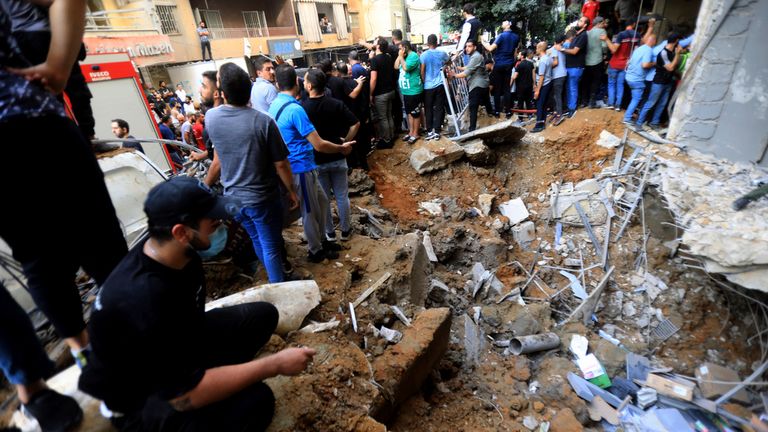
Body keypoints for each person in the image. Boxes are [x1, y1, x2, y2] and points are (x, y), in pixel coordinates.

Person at [78, 176, 316, 431]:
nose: (222, 227)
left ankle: (209, 377)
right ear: (181, 232)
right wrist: (274, 365)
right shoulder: (143, 297)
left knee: (262, 315)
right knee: (257, 401)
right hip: (142, 397)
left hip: (176, 345)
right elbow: (181, 398)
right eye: (213, 224)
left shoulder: (182, 255)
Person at [0, 2, 128, 429]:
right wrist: (57, 65)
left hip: (37, 124)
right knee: (94, 247)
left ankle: (92, 352)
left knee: (51, 259)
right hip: (36, 125)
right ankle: (106, 350)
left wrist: (57, 66)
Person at [203, 63, 298, 282]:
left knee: (257, 239)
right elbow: (281, 164)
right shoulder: (263, 122)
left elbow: (217, 161)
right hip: (262, 199)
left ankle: (276, 279)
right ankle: (280, 289)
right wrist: (291, 191)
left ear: (223, 93)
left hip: (233, 200)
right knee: (272, 246)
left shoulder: (212, 118)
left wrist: (205, 186)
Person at [269, 64, 354, 262]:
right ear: (298, 83)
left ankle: (324, 240)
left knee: (322, 202)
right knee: (308, 211)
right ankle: (315, 251)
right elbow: (318, 144)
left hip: (305, 165)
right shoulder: (295, 110)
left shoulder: (275, 105)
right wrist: (341, 149)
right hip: (300, 167)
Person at [302, 69, 360, 242]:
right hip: (338, 156)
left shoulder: (302, 108)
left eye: (305, 81)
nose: (304, 84)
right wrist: (344, 144)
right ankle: (345, 230)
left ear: (310, 85)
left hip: (318, 159)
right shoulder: (335, 104)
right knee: (342, 196)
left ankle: (330, 233)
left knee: (324, 199)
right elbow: (355, 123)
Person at [603, 18, 653, 110]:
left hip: (614, 64)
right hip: (625, 65)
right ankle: (618, 106)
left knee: (611, 84)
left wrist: (606, 39)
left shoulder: (621, 35)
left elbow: (613, 49)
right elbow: (645, 42)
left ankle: (611, 103)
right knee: (620, 84)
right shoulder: (637, 35)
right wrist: (650, 28)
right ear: (633, 24)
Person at [636, 32, 682, 129]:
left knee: (662, 104)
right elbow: (670, 67)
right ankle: (639, 123)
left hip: (667, 82)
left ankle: (654, 123)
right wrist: (678, 55)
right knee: (651, 102)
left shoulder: (672, 52)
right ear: (676, 41)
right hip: (659, 82)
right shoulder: (663, 53)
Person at [450, 39, 492, 132]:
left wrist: (454, 75)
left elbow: (466, 73)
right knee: (486, 101)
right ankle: (491, 114)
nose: (467, 49)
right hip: (482, 84)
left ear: (475, 47)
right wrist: (458, 68)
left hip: (477, 84)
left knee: (473, 107)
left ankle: (472, 129)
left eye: (469, 46)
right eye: (466, 46)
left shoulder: (476, 56)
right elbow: (469, 67)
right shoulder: (474, 56)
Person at [482, 20, 519, 119]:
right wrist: (512, 63)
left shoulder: (501, 36)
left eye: (504, 22)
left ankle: (497, 111)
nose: (502, 24)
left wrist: (482, 41)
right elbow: (515, 53)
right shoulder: (516, 37)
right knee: (507, 88)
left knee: (497, 89)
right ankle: (508, 111)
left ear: (508, 24)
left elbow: (490, 48)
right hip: (509, 64)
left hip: (499, 64)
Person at [556, 15, 589, 117]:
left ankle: (572, 109)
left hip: (576, 67)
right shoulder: (578, 35)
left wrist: (561, 49)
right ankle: (570, 107)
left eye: (580, 21)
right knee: (570, 87)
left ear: (585, 25)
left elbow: (575, 51)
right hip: (571, 66)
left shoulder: (583, 36)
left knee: (572, 87)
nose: (578, 22)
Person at [623, 32, 657, 124]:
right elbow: (645, 65)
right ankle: (627, 118)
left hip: (629, 76)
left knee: (635, 98)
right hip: (637, 79)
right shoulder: (649, 50)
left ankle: (631, 115)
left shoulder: (639, 48)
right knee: (636, 99)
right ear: (653, 41)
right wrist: (654, 63)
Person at [420, 34, 449, 140]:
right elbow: (448, 61)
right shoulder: (442, 53)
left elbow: (422, 71)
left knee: (428, 108)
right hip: (440, 84)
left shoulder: (423, 55)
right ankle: (437, 131)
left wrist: (424, 82)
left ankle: (429, 131)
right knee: (439, 107)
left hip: (428, 86)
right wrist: (444, 66)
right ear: (437, 43)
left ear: (427, 43)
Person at [369, 37, 397, 149]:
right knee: (389, 115)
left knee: (383, 117)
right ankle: (391, 136)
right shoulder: (388, 57)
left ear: (379, 46)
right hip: (390, 90)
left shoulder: (375, 60)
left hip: (381, 94)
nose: (373, 44)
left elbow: (373, 79)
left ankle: (386, 140)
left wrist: (370, 94)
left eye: (375, 42)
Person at [395, 40, 423, 145]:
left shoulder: (414, 56)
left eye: (400, 48)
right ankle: (411, 132)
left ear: (405, 47)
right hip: (406, 91)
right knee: (409, 113)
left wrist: (401, 57)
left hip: (414, 90)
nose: (399, 51)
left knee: (415, 113)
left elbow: (406, 68)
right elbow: (396, 66)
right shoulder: (403, 56)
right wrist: (400, 56)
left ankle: (416, 133)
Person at [584, 16, 608, 108]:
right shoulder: (602, 32)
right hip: (597, 60)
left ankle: (585, 101)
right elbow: (604, 46)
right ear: (599, 23)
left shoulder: (588, 32)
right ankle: (592, 102)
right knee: (596, 81)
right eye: (603, 23)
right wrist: (605, 54)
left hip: (587, 60)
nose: (604, 25)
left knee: (588, 81)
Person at [532, 41, 553, 133]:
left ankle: (539, 124)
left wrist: (537, 90)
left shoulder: (543, 61)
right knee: (544, 104)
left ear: (540, 48)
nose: (536, 49)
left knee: (540, 104)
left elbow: (541, 77)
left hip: (544, 84)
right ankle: (542, 122)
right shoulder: (548, 58)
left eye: (537, 48)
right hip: (548, 83)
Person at [548, 34, 568, 125]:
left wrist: (547, 66)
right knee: (559, 94)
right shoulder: (563, 49)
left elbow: (555, 62)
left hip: (557, 75)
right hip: (563, 74)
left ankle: (559, 115)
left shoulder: (554, 49)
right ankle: (557, 112)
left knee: (557, 96)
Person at [511, 49, 535, 116]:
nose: (518, 56)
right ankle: (530, 115)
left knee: (520, 102)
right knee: (528, 101)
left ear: (522, 56)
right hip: (529, 86)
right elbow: (533, 74)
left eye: (519, 54)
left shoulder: (519, 65)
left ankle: (520, 117)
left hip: (520, 87)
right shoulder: (530, 64)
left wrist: (511, 79)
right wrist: (534, 84)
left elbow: (515, 76)